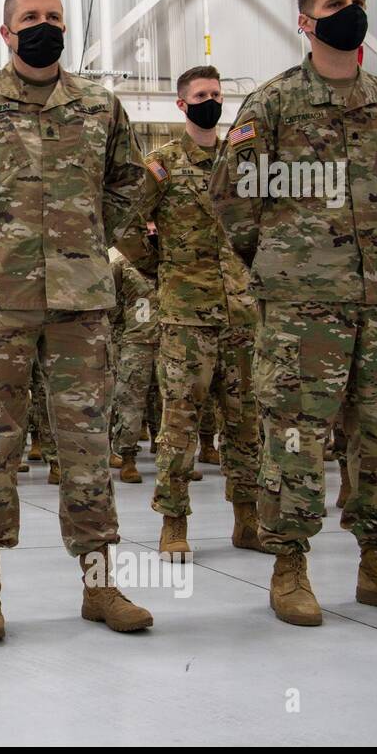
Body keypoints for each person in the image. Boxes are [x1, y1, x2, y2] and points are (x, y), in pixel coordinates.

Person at [0, 0, 154, 638]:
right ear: (6, 31)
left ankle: (101, 588)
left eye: (54, 15)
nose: (43, 24)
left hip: (81, 302)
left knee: (86, 443)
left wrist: (95, 234)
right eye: (30, 16)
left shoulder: (100, 106)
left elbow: (133, 180)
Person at [211, 0, 377, 625]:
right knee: (295, 438)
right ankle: (289, 567)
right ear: (307, 22)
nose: (353, 10)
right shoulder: (274, 103)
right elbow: (233, 200)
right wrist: (283, 266)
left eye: (360, 1)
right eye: (337, 3)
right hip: (300, 310)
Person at [119, 64, 263, 555]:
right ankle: (173, 522)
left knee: (245, 421)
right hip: (186, 314)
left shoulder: (243, 162)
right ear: (182, 105)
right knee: (180, 421)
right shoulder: (162, 163)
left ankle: (248, 519)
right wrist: (158, 268)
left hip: (242, 313)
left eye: (217, 93)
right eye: (201, 94)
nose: (211, 100)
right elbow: (123, 220)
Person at [109, 249, 160, 487]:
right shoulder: (122, 264)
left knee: (171, 401)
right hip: (135, 342)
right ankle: (127, 457)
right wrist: (119, 336)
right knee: (130, 400)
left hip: (170, 340)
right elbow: (113, 304)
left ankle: (172, 460)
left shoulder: (172, 260)